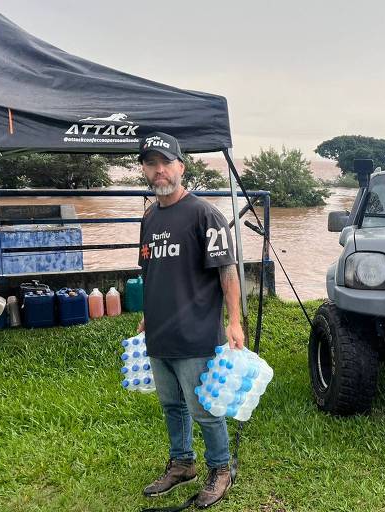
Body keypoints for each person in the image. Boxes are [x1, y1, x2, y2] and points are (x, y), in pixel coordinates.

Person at [135, 132, 244, 508]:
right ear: (145, 170)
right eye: (152, 164)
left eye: (166, 162)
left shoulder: (204, 214)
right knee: (172, 405)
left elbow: (227, 272)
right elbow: (149, 270)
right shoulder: (149, 217)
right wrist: (147, 317)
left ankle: (221, 468)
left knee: (204, 409)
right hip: (160, 334)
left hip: (196, 333)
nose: (159, 170)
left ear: (182, 167)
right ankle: (182, 463)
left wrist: (234, 321)